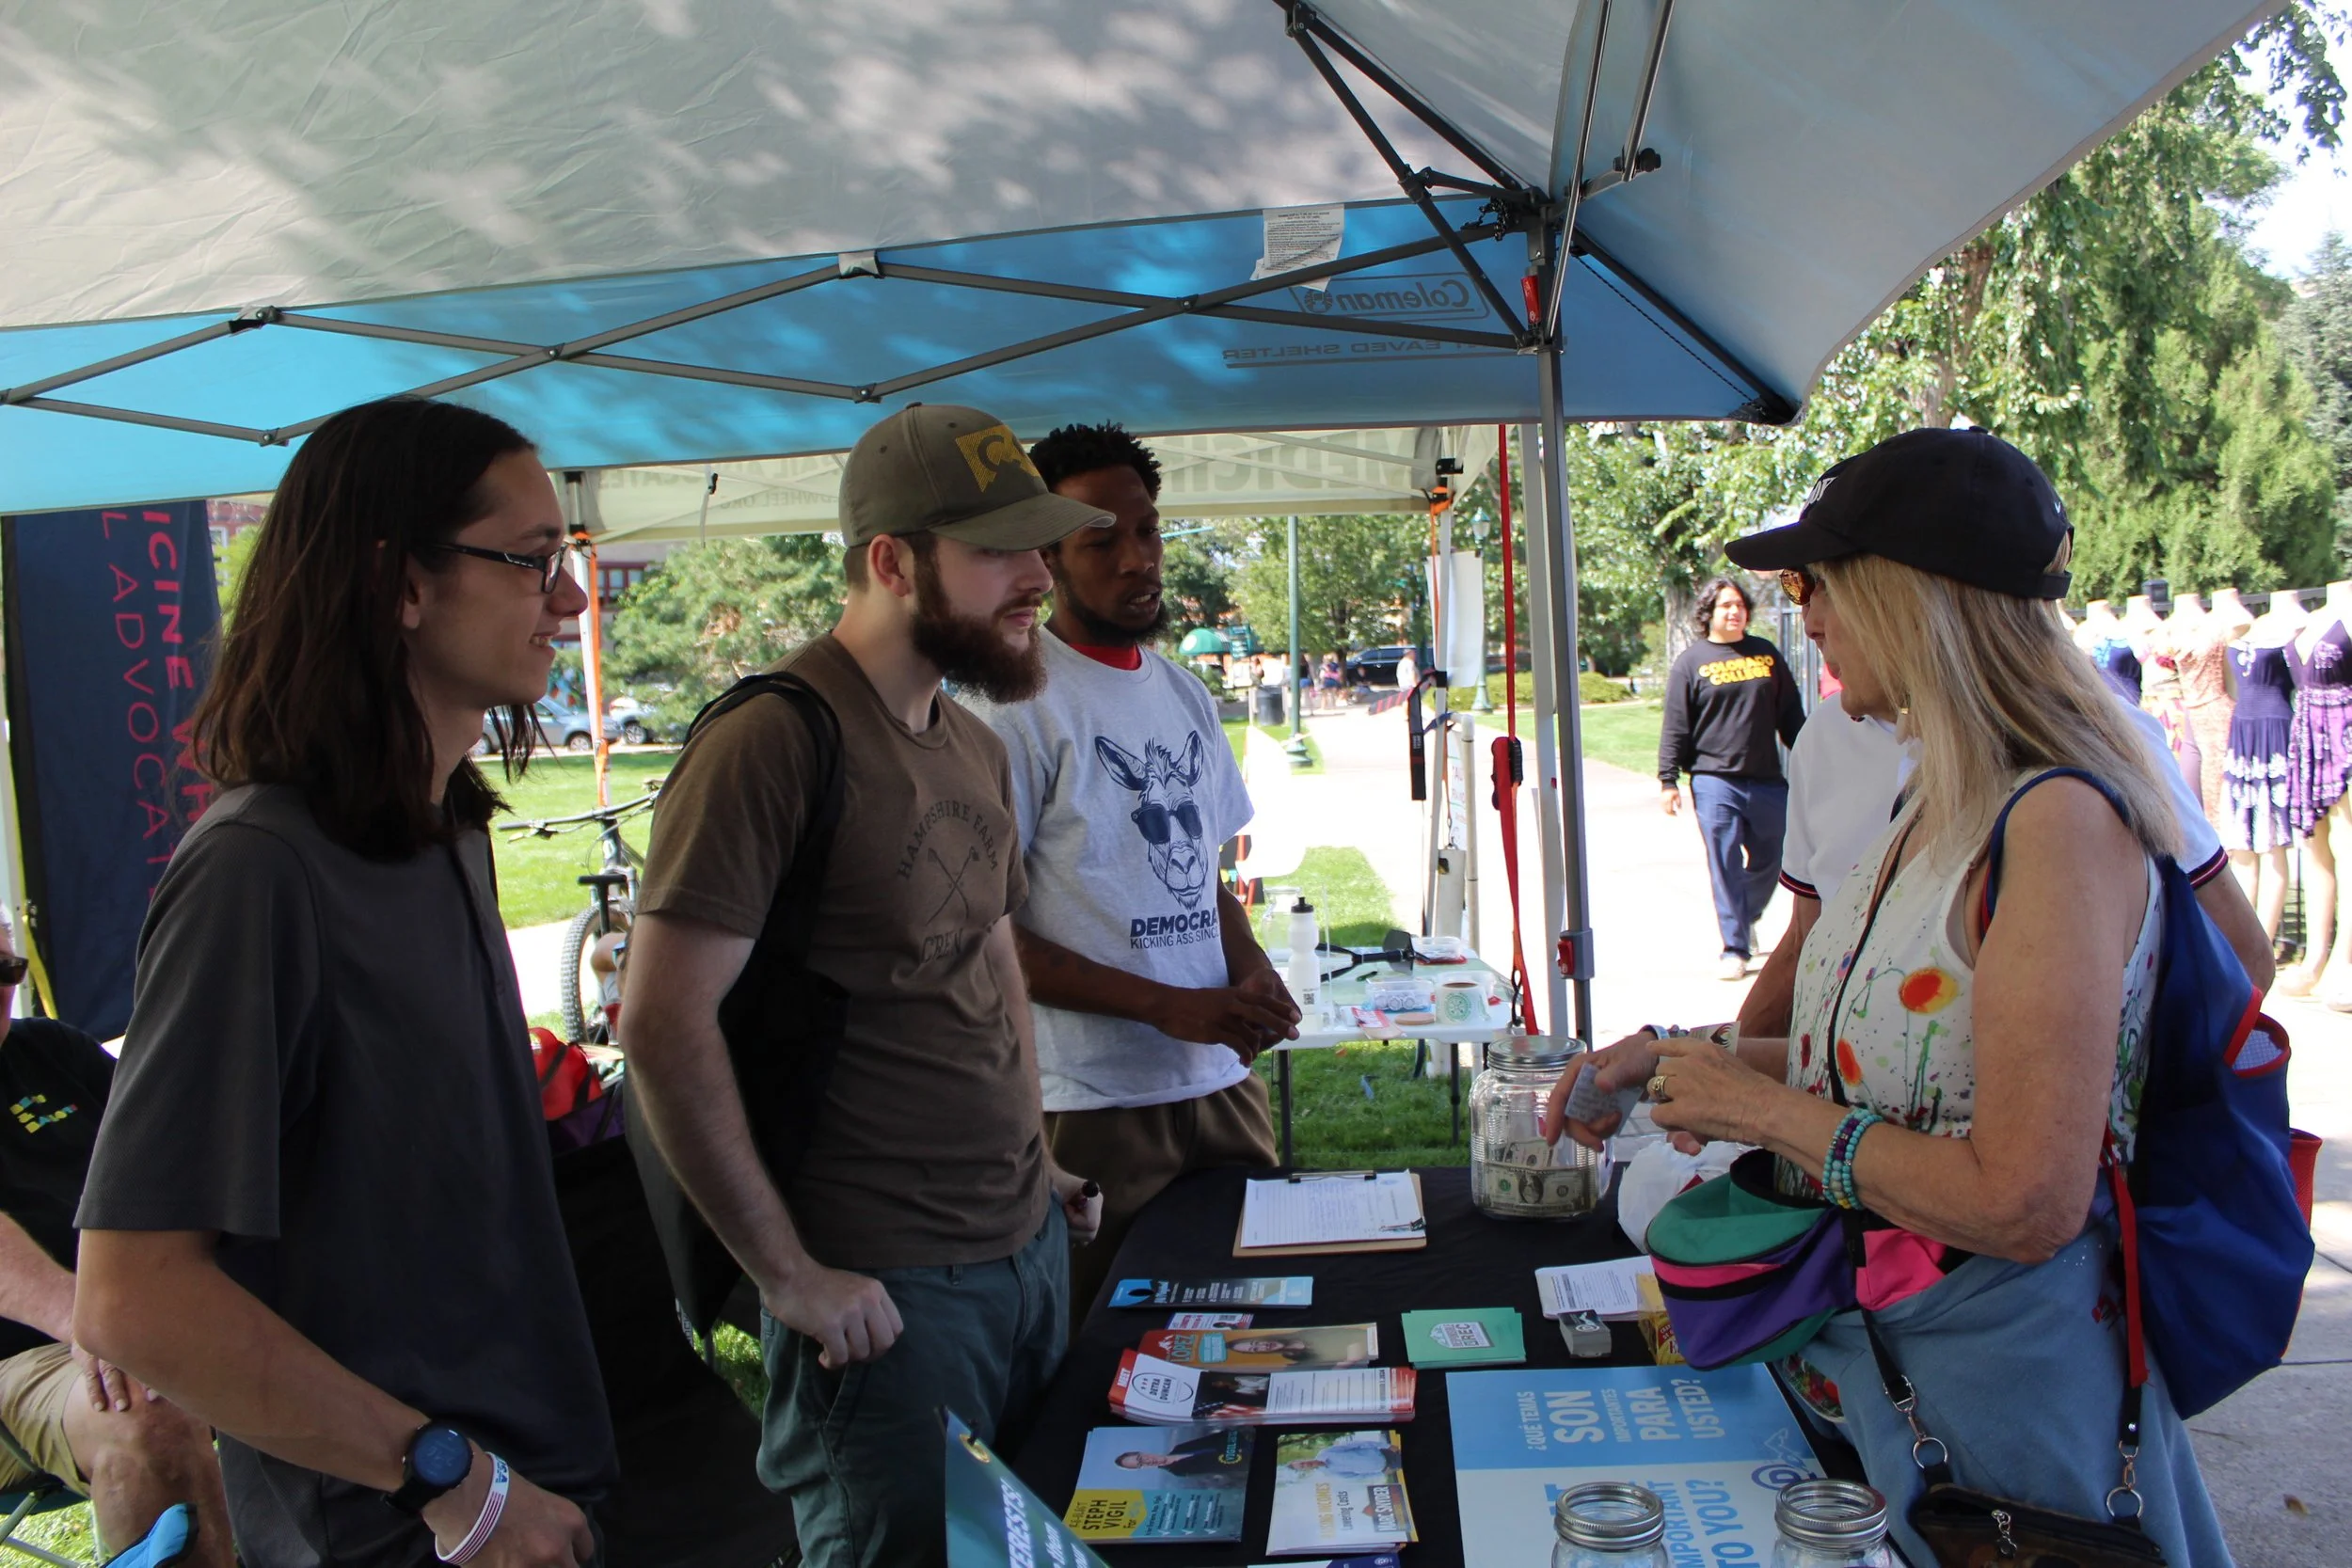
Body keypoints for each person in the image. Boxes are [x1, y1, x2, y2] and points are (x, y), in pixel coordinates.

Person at [1547, 428, 2232, 1568]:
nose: (1800, 613)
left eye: (1819, 583)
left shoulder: (2054, 824)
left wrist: (1765, 1114)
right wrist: (1673, 1057)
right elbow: (1882, 1064)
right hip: (1894, 1376)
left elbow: (2024, 1199)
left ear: (1912, 597)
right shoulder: (1941, 798)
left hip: (2006, 1415)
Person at [74, 396, 619, 1567]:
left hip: (531, 1485)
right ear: (400, 584)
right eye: (531, 562)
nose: (570, 598)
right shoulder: (258, 870)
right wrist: (453, 1485)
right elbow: (134, 1295)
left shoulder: (448, 829)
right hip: (401, 1529)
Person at [621, 404, 1108, 1568]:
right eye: (999, 548)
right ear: (891, 560)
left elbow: (988, 962)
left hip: (1023, 1257)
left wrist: (1036, 1163)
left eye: (1037, 544)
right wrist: (788, 1276)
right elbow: (658, 1017)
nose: (1038, 576)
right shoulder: (774, 740)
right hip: (884, 1297)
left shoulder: (971, 741)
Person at [967, 422, 1294, 1318]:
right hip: (1091, 1105)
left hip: (1221, 1084)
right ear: (1045, 554)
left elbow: (1205, 882)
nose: (1135, 559)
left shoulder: (1182, 690)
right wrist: (1172, 1005)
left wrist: (1250, 969)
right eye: (1100, 539)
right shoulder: (1014, 705)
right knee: (1098, 1347)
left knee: (1250, 1324)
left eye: (1146, 530)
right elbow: (990, 936)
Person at [1739, 589, 2271, 1039]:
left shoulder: (2070, 785)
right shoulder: (1827, 738)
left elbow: (2243, 961)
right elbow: (1812, 952)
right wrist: (1721, 1070)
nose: (1809, 619)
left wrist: (2118, 1105)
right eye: (1797, 587)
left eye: (1827, 583)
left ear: (1907, 599)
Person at [0, 920, 232, 1567]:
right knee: (147, 1415)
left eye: (7, 968)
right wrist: (93, 1324)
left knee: (353, 1325)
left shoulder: (49, 1052)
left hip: (144, 1316)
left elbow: (174, 1154)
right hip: (22, 1361)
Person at [1658, 577, 1805, 979]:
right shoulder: (1692, 662)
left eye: (1739, 604)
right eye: (1725, 605)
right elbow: (1676, 724)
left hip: (1766, 780)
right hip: (1713, 780)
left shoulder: (1766, 655)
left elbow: (1791, 714)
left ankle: (1745, 915)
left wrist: (1811, 755)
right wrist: (1668, 780)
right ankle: (1735, 947)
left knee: (1774, 857)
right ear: (1709, 613)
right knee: (1723, 862)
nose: (1734, 611)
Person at [1112, 1433, 1245, 1481]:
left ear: (1142, 1452)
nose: (1147, 1461)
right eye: (1140, 1464)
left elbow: (1218, 1437)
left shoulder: (1179, 1447)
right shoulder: (1179, 1472)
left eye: (1140, 1458)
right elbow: (1221, 1469)